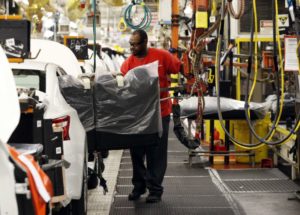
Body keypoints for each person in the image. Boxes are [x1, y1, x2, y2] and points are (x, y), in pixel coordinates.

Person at [120, 29, 181, 203]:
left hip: (160, 113)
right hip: (138, 116)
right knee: (137, 152)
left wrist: (191, 77)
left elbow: (179, 68)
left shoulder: (162, 57)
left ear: (145, 42)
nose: (133, 47)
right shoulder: (127, 64)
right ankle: (138, 187)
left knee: (156, 153)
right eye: (131, 44)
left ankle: (155, 190)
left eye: (136, 44)